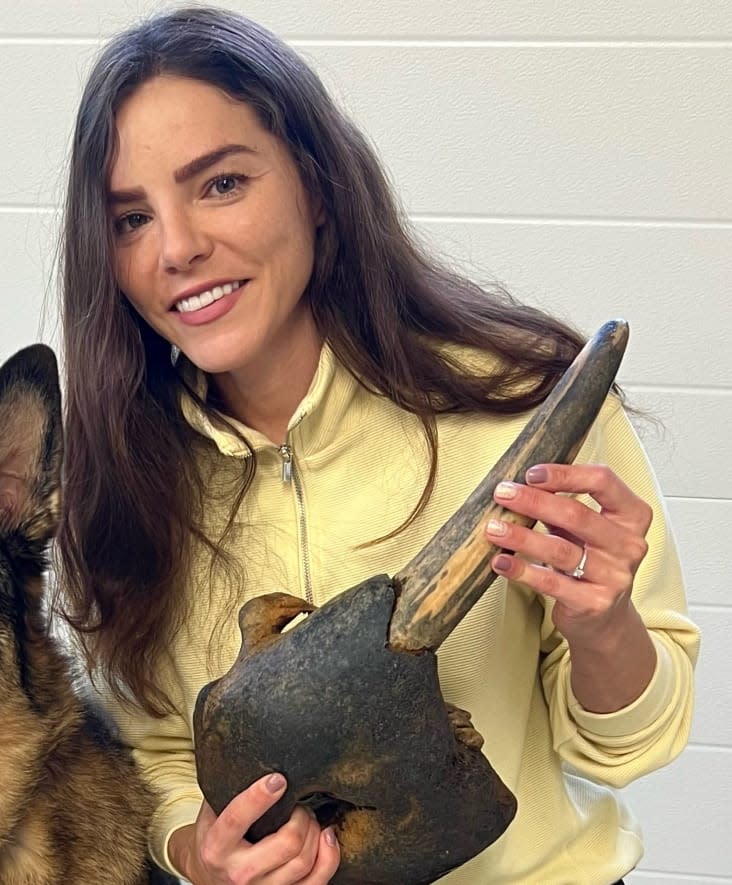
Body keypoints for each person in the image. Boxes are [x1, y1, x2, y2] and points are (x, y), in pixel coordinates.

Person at [53, 7, 699, 884]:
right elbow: (157, 747)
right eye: (130, 218)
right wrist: (198, 852)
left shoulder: (522, 401)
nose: (177, 247)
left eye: (222, 184)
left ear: (316, 186)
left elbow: (632, 749)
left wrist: (605, 625)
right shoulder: (120, 474)